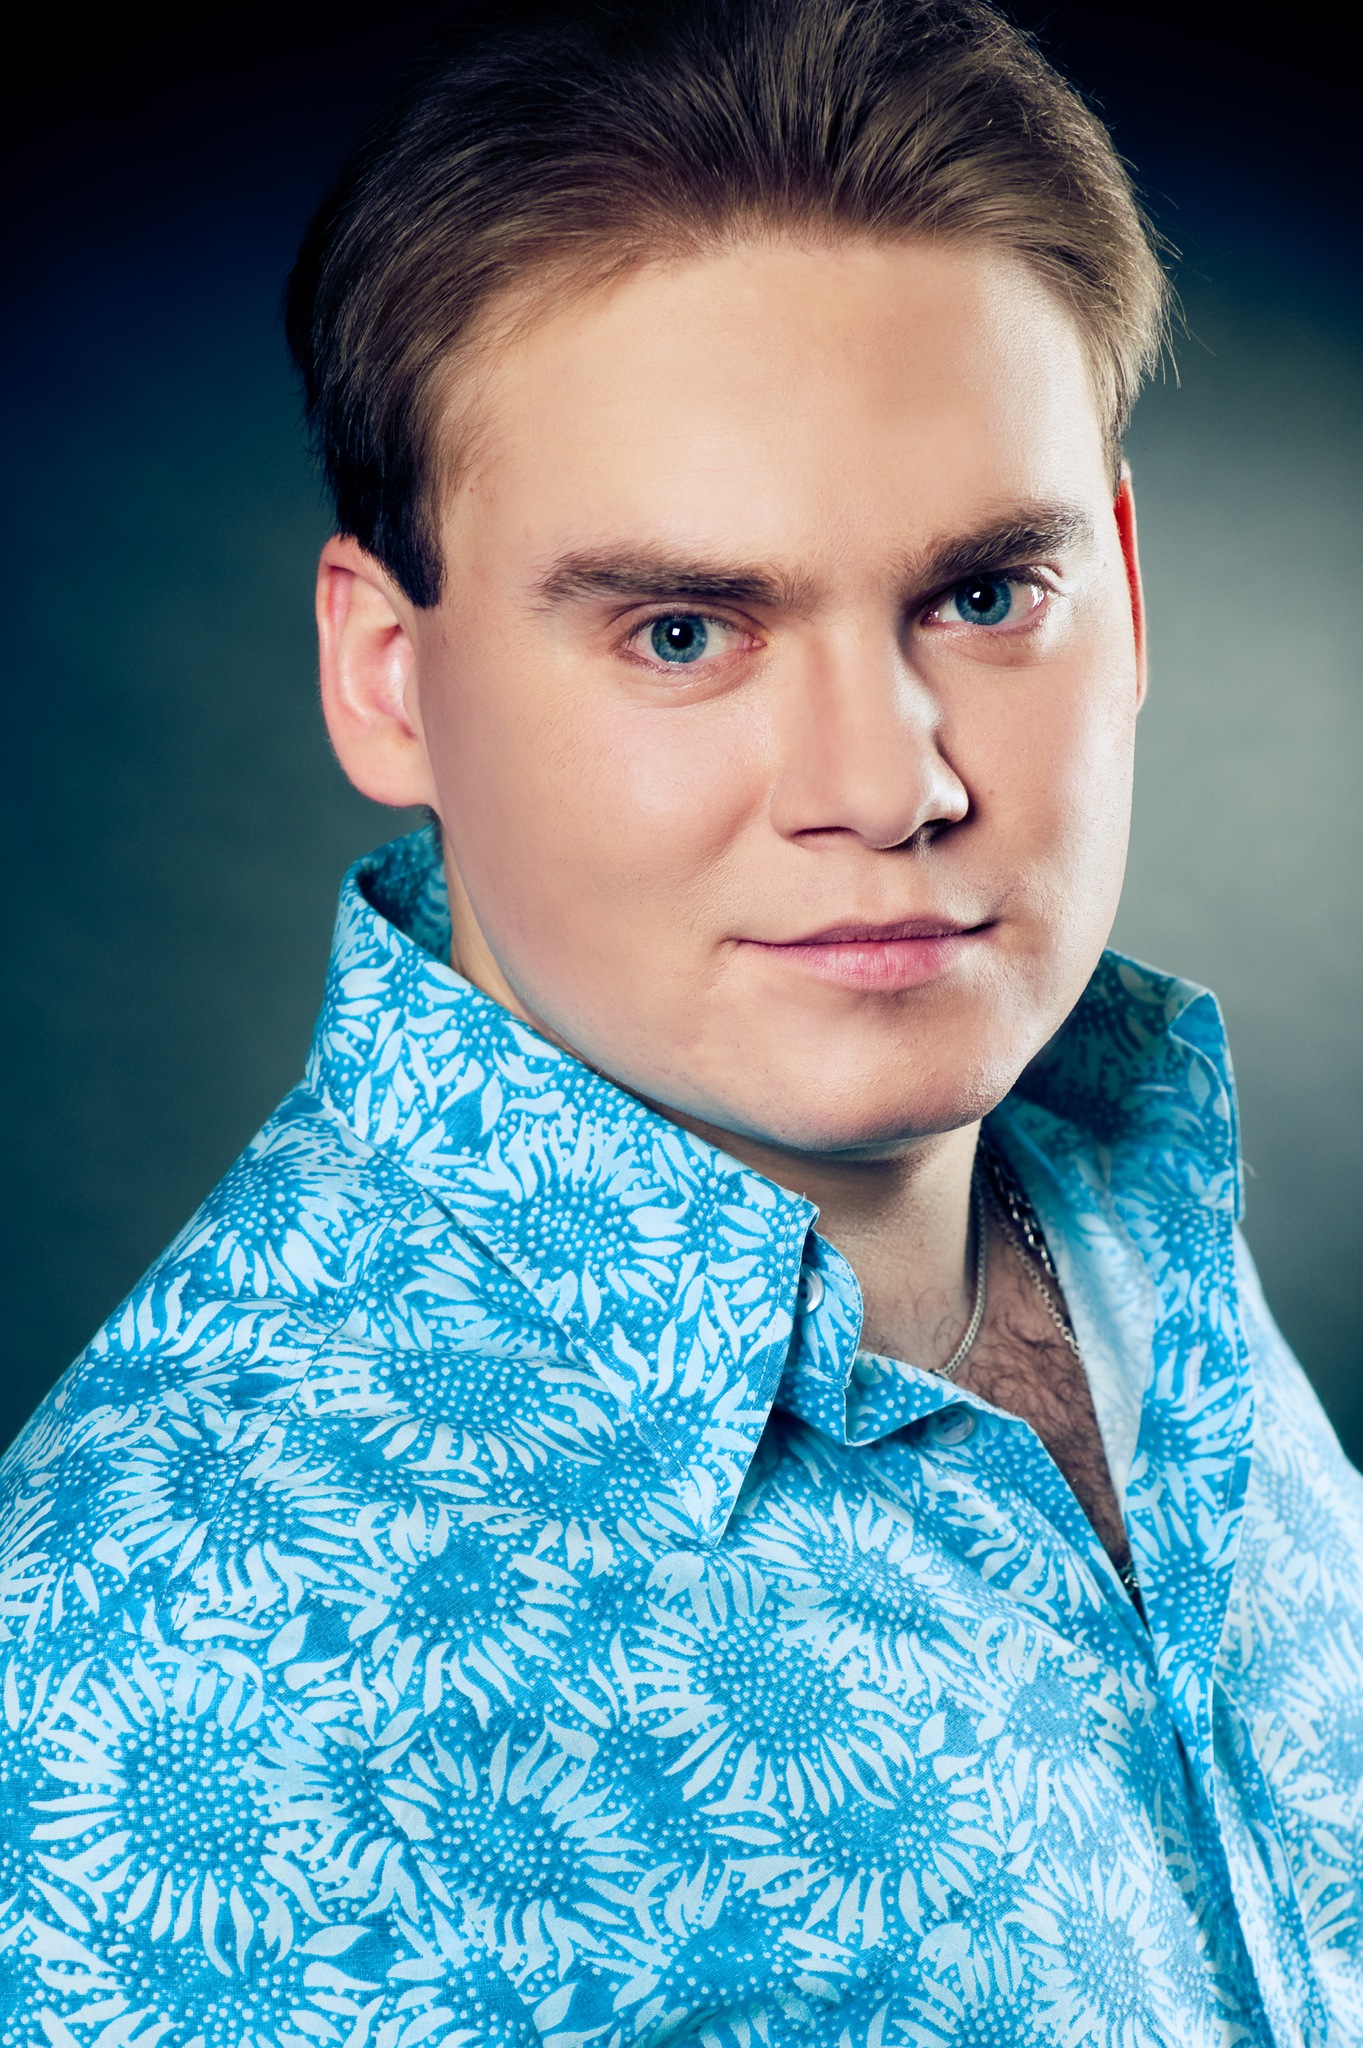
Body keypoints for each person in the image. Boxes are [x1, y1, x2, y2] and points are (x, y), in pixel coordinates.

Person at [1, 0, 1358, 2039]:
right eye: (683, 630)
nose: (890, 786)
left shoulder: (1130, 1196)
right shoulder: (156, 1682)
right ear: (386, 680)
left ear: (1130, 595)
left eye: (985, 594)